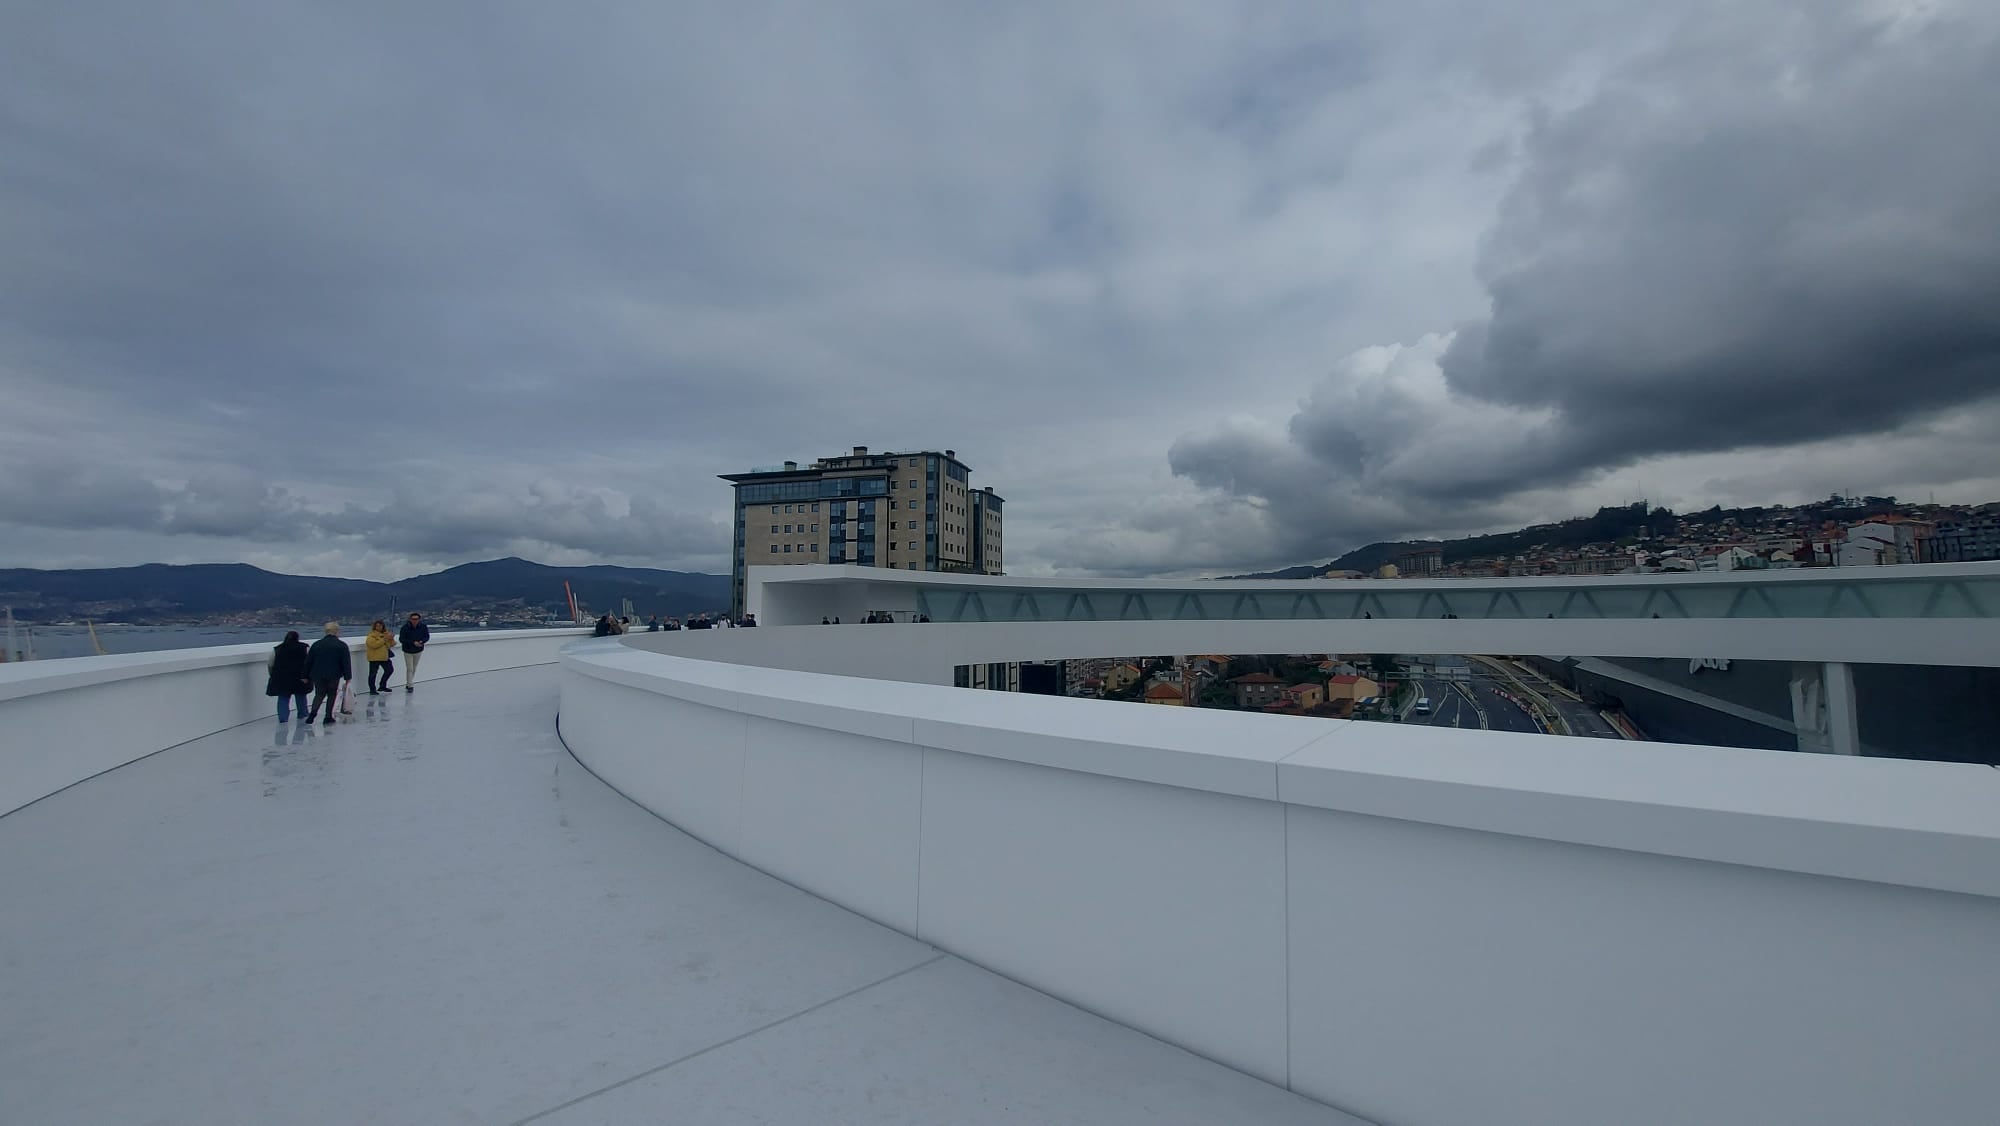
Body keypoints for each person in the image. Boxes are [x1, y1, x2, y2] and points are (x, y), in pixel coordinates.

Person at [304, 622, 352, 725]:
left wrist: (305, 675)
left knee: (319, 694)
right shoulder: (341, 645)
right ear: (337, 631)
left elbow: (308, 661)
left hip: (318, 674)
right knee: (331, 694)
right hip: (334, 674)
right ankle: (328, 716)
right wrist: (348, 676)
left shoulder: (317, 644)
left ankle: (312, 714)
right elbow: (346, 662)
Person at [266, 630, 311, 722]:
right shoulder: (304, 648)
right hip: (300, 677)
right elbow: (310, 662)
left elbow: (270, 664)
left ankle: (283, 718)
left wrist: (273, 675)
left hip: (282, 679)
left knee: (283, 698)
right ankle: (303, 715)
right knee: (301, 696)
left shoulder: (277, 649)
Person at [399, 612, 430, 692]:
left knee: (414, 668)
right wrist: (413, 642)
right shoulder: (405, 628)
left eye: (416, 619)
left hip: (418, 650)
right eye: (413, 619)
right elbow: (401, 639)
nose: (415, 621)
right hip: (408, 650)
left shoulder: (423, 627)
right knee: (410, 668)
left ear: (419, 619)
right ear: (410, 619)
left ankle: (409, 682)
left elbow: (426, 636)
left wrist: (421, 642)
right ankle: (410, 685)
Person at [363, 620, 395, 694]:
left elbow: (392, 644)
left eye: (380, 626)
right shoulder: (371, 635)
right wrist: (384, 639)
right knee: (373, 674)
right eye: (377, 626)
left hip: (384, 657)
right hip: (374, 657)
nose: (379, 627)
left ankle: (382, 685)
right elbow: (373, 645)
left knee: (389, 670)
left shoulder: (385, 634)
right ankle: (372, 690)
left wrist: (391, 638)